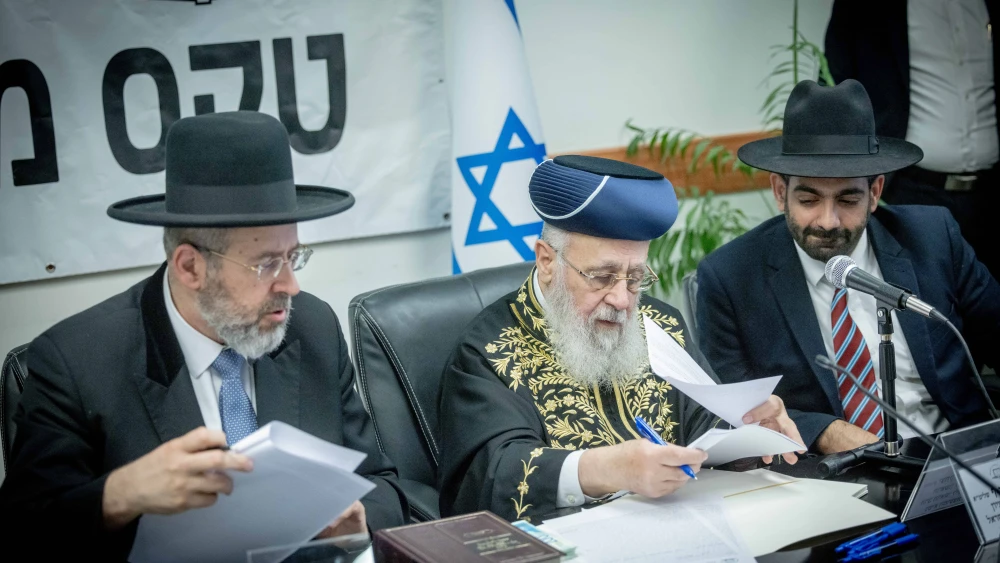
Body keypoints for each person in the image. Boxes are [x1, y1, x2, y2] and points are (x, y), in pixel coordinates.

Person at [0, 112, 407, 558]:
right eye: (266, 264)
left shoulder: (311, 328)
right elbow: (25, 532)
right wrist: (122, 493)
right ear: (190, 267)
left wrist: (358, 520)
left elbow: (382, 484)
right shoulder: (78, 362)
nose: (290, 286)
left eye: (294, 257)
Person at [436, 155, 804, 522]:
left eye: (635, 278)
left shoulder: (661, 323)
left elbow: (704, 428)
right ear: (547, 262)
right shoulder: (489, 351)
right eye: (601, 277)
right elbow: (490, 478)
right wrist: (605, 469)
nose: (622, 300)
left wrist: (750, 433)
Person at [697, 79, 1000, 454]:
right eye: (809, 200)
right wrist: (825, 431)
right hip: (836, 471)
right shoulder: (730, 277)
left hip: (957, 456)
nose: (828, 221)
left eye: (847, 200)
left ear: (874, 193)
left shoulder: (933, 238)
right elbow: (727, 407)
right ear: (780, 192)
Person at [824, 0, 1000, 277]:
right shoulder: (867, 8)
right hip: (911, 189)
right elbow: (838, 77)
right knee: (919, 297)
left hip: (993, 193)